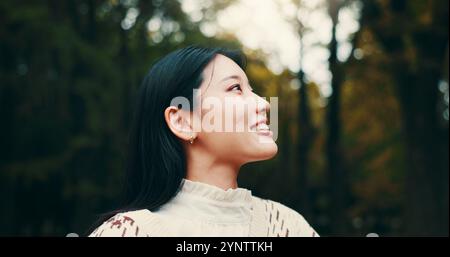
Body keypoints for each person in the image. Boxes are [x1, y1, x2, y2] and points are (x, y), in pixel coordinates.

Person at [88, 45, 318, 237]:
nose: (264, 104)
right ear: (183, 121)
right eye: (235, 88)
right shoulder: (128, 232)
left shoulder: (287, 226)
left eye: (252, 90)